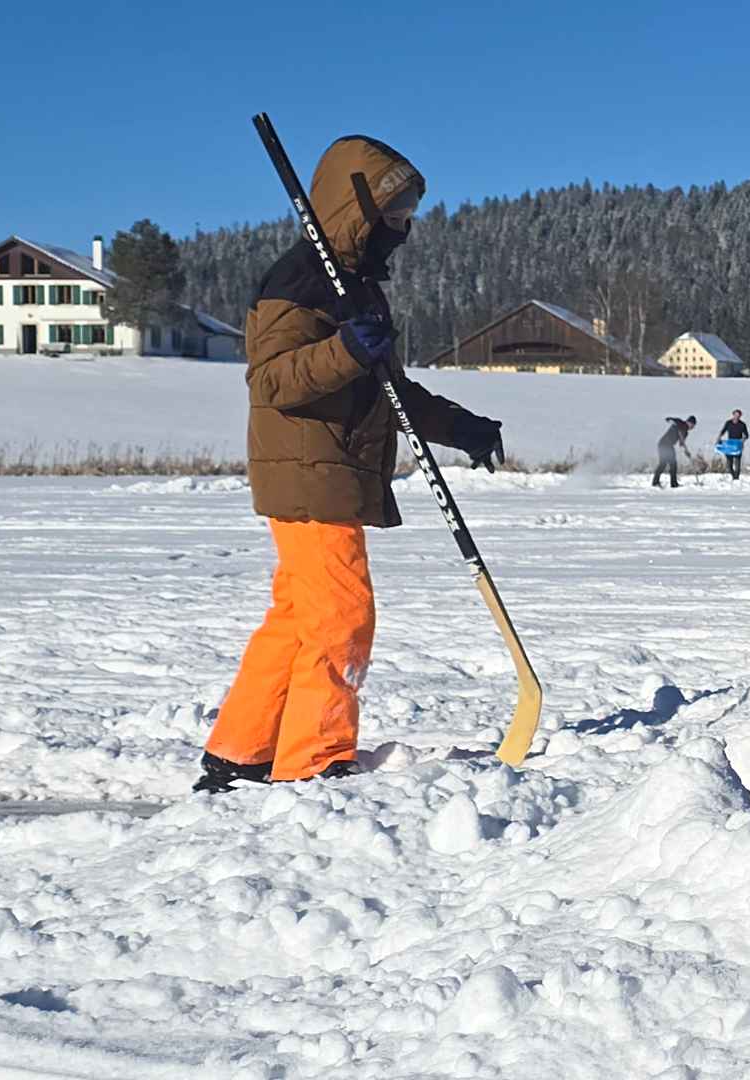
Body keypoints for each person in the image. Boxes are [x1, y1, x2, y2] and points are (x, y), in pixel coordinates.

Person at [197, 135, 505, 794]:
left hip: (325, 469)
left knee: (299, 618)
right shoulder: (300, 282)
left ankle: (241, 751)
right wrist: (344, 350)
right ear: (359, 209)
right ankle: (314, 760)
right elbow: (272, 382)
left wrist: (464, 429)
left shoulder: (357, 288)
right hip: (311, 472)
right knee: (341, 617)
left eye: (410, 213)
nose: (404, 228)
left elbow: (389, 391)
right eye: (395, 213)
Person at [654, 415, 696, 488]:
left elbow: (681, 444)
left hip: (669, 446)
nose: (692, 427)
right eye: (692, 425)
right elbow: (668, 419)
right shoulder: (680, 422)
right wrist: (673, 422)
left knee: (667, 464)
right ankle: (664, 483)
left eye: (694, 426)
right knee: (666, 464)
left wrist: (686, 452)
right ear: (688, 422)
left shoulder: (685, 433)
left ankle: (666, 483)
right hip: (663, 444)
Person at [718, 409, 749, 480]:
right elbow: (722, 432)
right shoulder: (728, 423)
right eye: (735, 415)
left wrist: (743, 440)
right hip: (729, 446)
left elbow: (746, 435)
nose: (737, 417)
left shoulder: (742, 424)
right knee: (729, 465)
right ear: (733, 415)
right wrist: (719, 439)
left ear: (740, 416)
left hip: (738, 446)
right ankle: (733, 476)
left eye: (738, 415)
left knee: (737, 464)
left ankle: (736, 478)